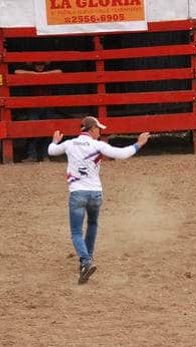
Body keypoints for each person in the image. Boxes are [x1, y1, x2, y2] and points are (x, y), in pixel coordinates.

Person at [48, 116, 151, 284]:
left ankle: (86, 261)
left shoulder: (70, 144)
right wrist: (138, 144)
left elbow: (51, 151)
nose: (100, 133)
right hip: (95, 193)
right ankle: (87, 260)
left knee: (76, 231)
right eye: (99, 130)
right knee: (93, 224)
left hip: (77, 192)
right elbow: (122, 154)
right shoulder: (98, 146)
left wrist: (54, 141)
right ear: (92, 129)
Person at [14, 62, 62, 163]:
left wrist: (41, 75)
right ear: (33, 66)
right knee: (32, 129)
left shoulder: (49, 73)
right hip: (33, 106)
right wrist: (34, 74)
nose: (40, 66)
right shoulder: (30, 74)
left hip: (48, 106)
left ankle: (45, 156)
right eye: (37, 65)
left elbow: (59, 71)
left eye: (41, 65)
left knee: (48, 130)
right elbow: (16, 72)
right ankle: (32, 155)